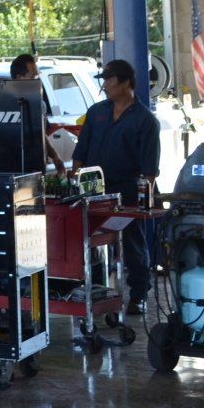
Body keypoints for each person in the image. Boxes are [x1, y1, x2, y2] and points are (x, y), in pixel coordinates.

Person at [72, 59, 160, 316]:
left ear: (125, 83)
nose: (105, 85)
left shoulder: (145, 121)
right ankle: (95, 291)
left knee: (133, 242)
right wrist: (75, 177)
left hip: (128, 190)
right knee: (91, 241)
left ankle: (139, 294)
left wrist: (145, 199)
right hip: (93, 190)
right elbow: (81, 150)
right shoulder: (97, 112)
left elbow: (149, 168)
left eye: (109, 80)